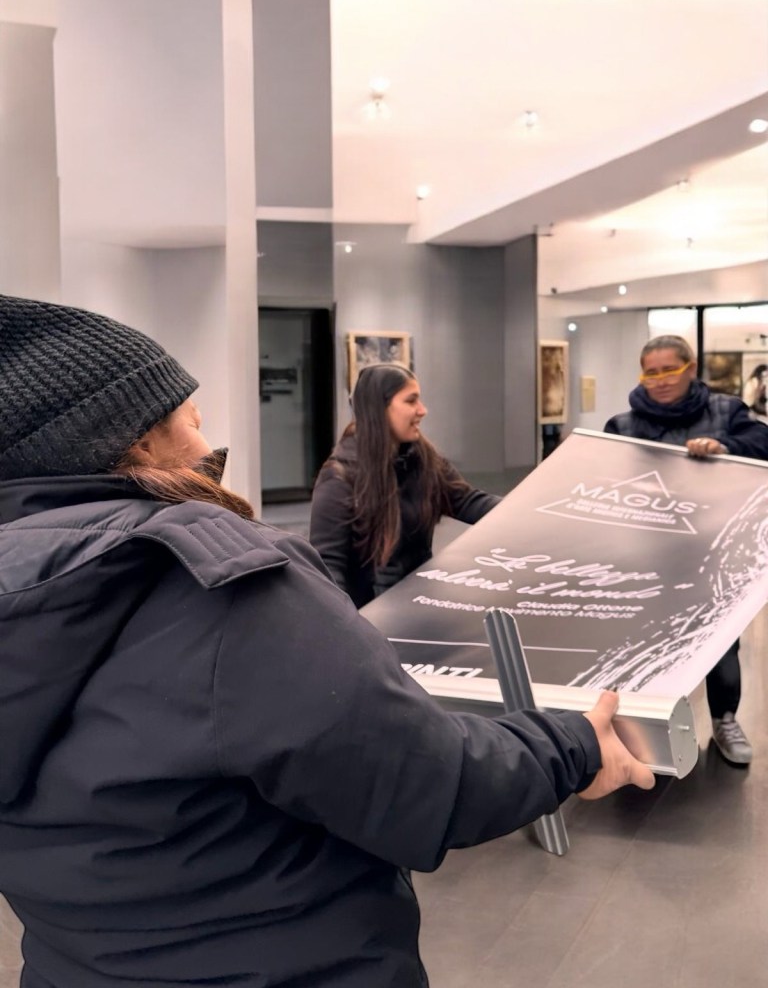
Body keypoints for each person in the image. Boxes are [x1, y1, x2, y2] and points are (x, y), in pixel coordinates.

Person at [0, 294, 655, 988]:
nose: (207, 447)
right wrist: (574, 745)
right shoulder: (226, 591)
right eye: (189, 424)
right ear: (138, 441)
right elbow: (429, 781)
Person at [604, 334, 768, 765]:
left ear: (690, 368)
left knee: (719, 643)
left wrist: (726, 448)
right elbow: (603, 480)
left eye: (669, 370)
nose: (659, 381)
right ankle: (640, 732)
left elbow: (762, 445)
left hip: (715, 552)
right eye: (650, 372)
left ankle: (725, 719)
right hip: (647, 554)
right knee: (642, 643)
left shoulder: (727, 412)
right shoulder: (622, 425)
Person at [310, 363, 501, 609]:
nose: (422, 410)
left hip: (419, 605)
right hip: (369, 615)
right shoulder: (339, 478)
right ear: (379, 409)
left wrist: (532, 509)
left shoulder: (424, 459)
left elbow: (468, 502)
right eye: (411, 401)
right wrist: (349, 626)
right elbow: (327, 566)